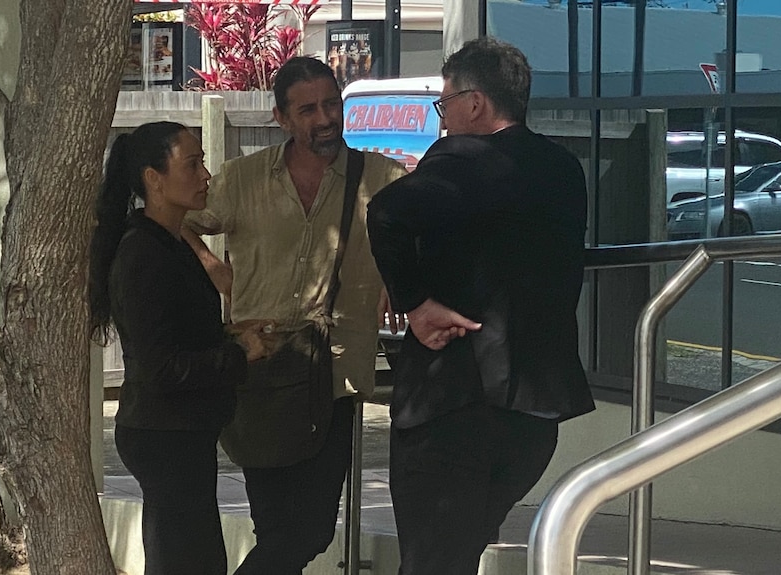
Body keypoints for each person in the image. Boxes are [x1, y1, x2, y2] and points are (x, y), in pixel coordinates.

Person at [366, 38, 596, 575]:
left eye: (444, 104)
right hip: (535, 416)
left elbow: (385, 215)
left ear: (474, 103)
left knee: (430, 562)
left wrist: (415, 302)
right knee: (458, 555)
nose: (442, 119)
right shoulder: (563, 169)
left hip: (454, 408)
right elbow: (499, 236)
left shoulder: (460, 159)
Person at [182, 56, 408, 574]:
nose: (325, 118)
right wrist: (211, 265)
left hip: (335, 377)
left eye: (332, 104)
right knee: (279, 530)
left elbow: (428, 241)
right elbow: (169, 218)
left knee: (307, 531)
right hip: (261, 375)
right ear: (281, 118)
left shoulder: (383, 179)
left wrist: (400, 278)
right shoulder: (242, 179)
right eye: (308, 109)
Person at [89, 122, 269, 575]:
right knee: (186, 560)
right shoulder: (142, 255)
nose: (205, 175)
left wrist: (231, 335)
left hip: (182, 431)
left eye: (203, 162)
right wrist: (237, 355)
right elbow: (160, 367)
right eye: (192, 164)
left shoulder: (169, 242)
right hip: (163, 432)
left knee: (194, 557)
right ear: (154, 178)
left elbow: (178, 333)